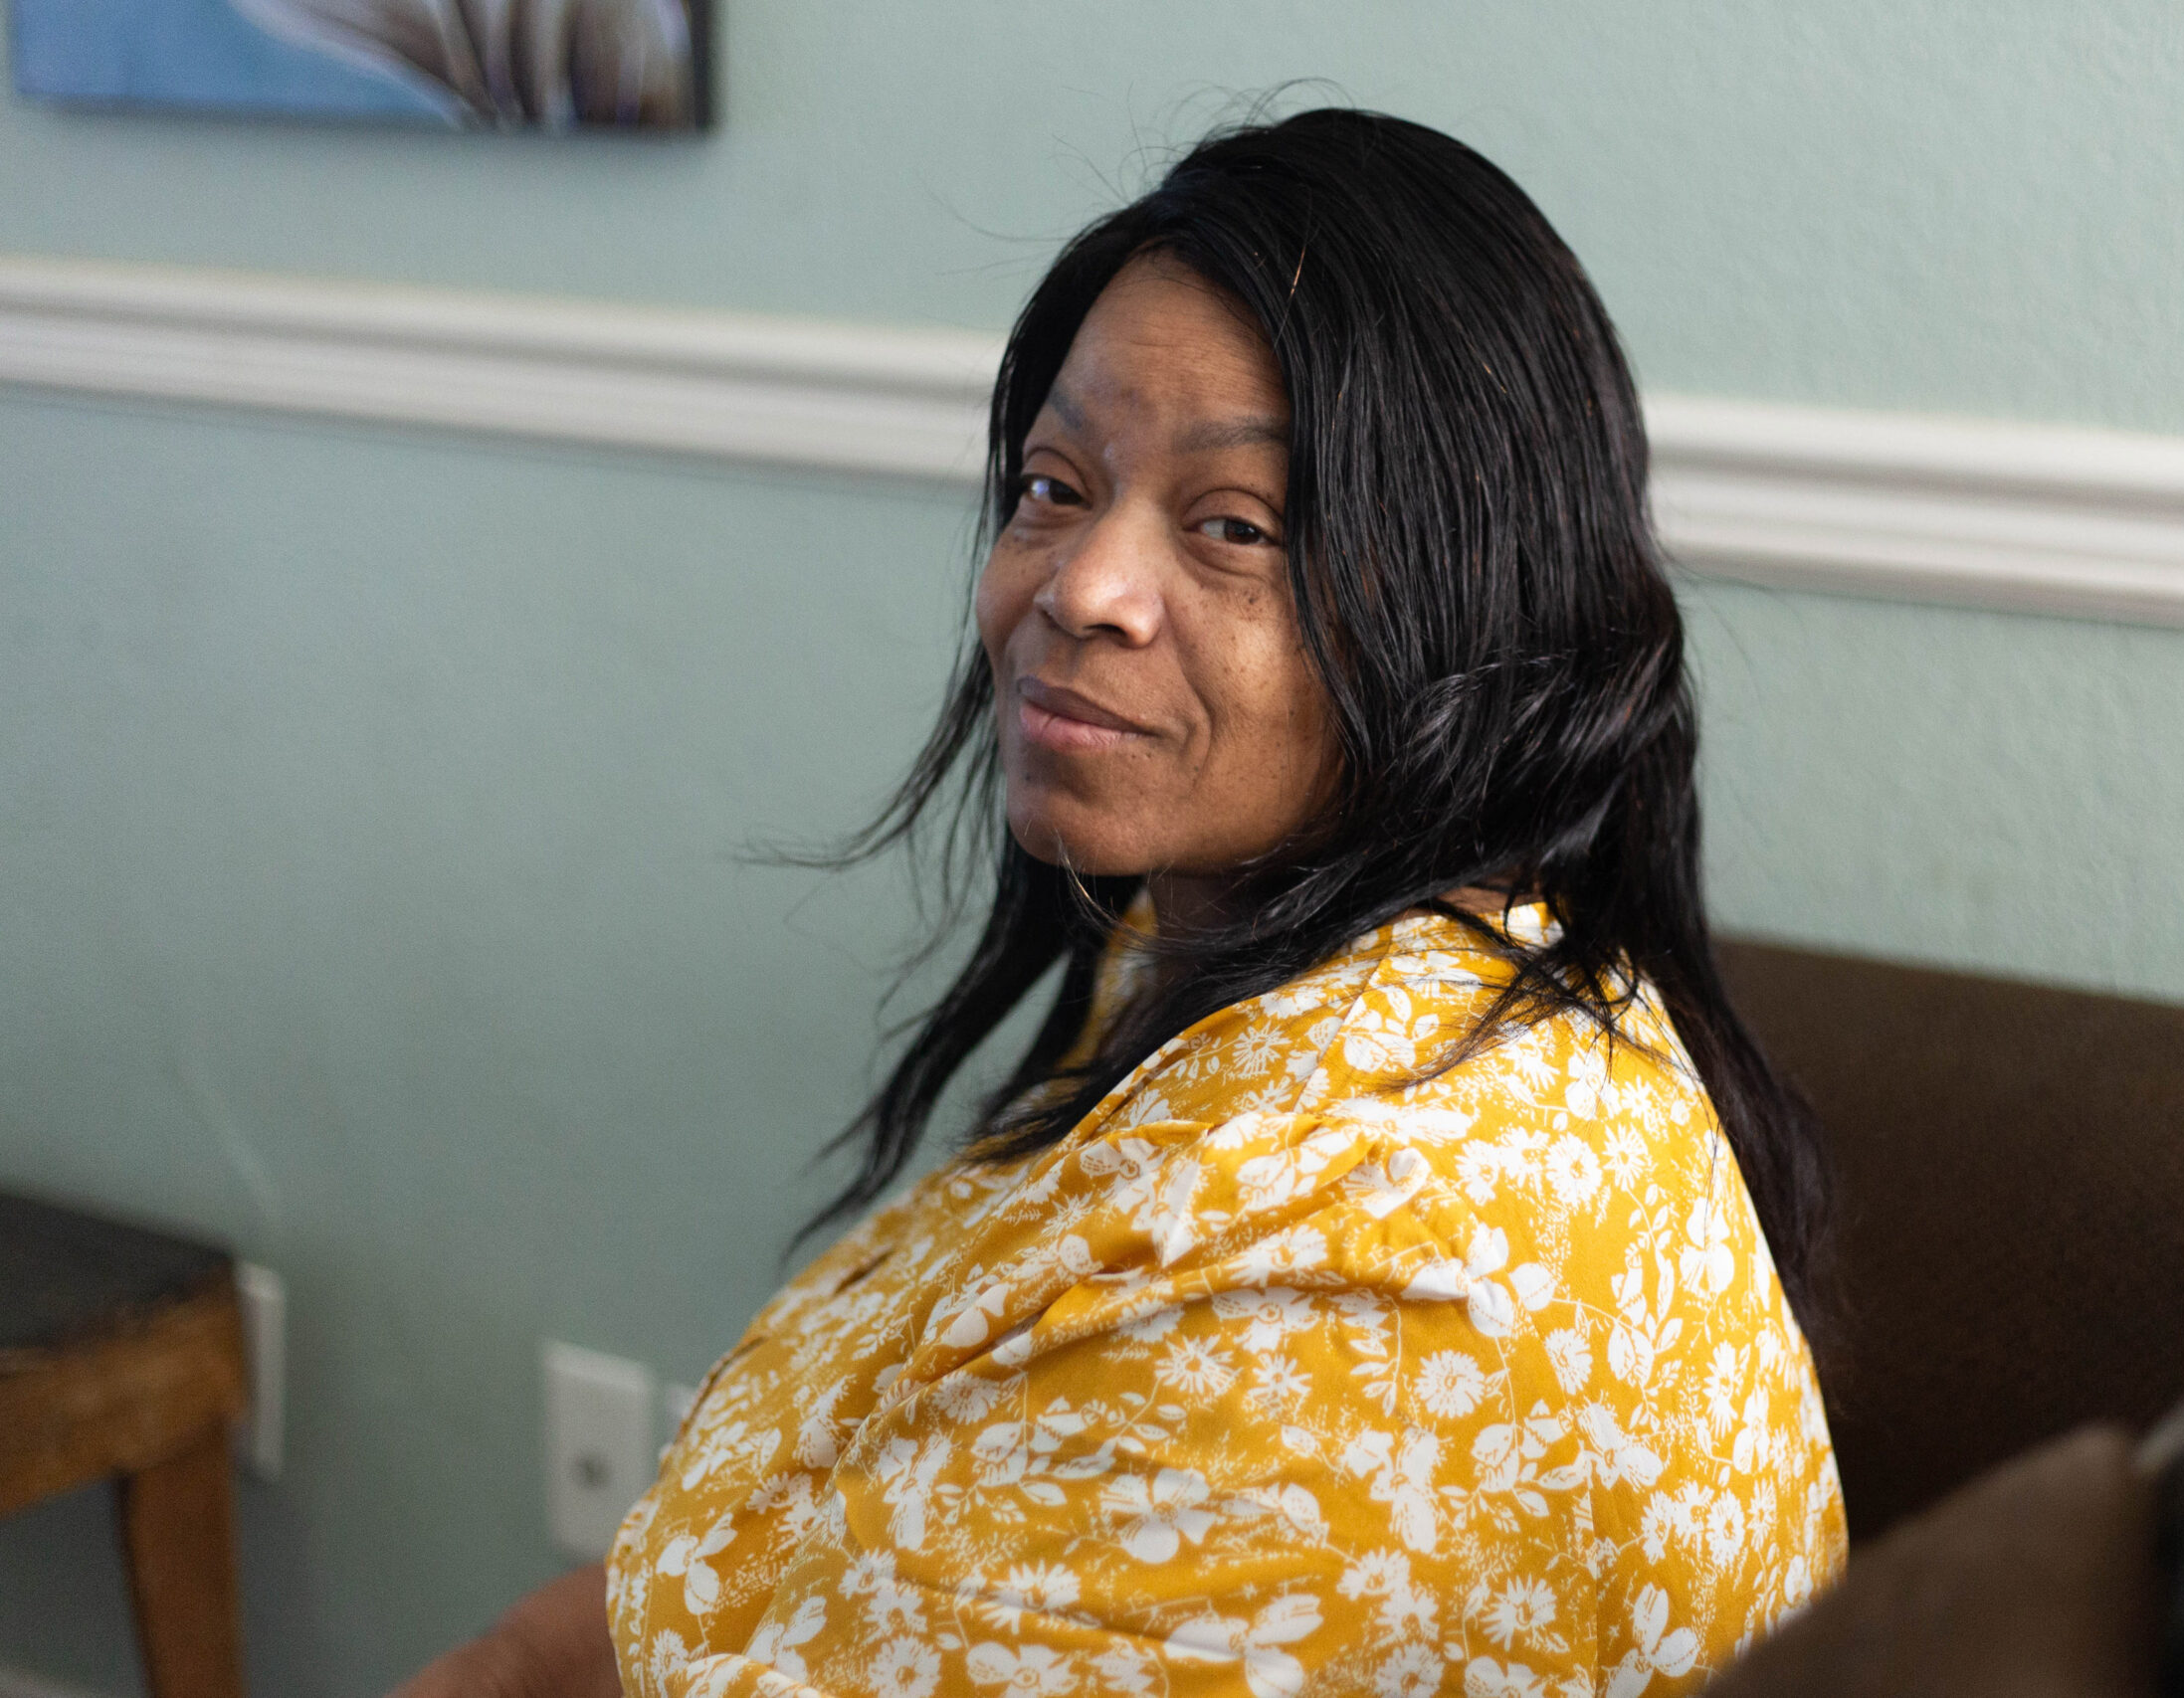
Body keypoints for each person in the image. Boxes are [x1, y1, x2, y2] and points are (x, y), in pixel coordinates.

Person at [397, 105, 1846, 1698]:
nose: (1078, 585)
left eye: (1232, 526)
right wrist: (506, 1660)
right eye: (1054, 484)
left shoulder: (1363, 1279)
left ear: (1471, 597)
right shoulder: (1235, 937)